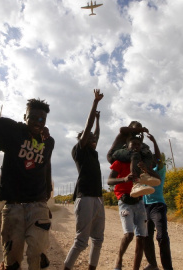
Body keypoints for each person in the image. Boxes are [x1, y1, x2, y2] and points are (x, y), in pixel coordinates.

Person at [0, 98, 55, 270]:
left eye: (42, 119)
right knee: (12, 260)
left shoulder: (48, 142)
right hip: (13, 206)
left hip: (37, 204)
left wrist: (47, 195)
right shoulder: (14, 133)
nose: (37, 122)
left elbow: (46, 165)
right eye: (33, 117)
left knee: (37, 254)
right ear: (25, 117)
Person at [64, 89, 105, 270]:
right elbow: (88, 129)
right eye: (89, 137)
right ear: (82, 138)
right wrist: (95, 103)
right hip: (85, 198)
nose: (94, 139)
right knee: (81, 242)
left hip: (98, 198)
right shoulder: (79, 150)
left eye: (94, 139)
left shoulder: (93, 152)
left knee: (98, 240)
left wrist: (98, 120)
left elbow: (95, 132)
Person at [108, 136, 151, 270]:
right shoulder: (119, 162)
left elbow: (152, 177)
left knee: (141, 238)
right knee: (129, 235)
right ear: (127, 147)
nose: (136, 146)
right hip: (125, 201)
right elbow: (110, 181)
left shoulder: (141, 163)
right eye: (133, 144)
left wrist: (146, 170)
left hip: (139, 202)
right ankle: (118, 259)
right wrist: (125, 179)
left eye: (138, 144)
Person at [140, 134, 173, 270]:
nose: (151, 160)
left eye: (153, 159)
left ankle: (167, 267)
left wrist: (154, 141)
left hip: (158, 206)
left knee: (162, 236)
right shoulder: (144, 174)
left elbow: (159, 158)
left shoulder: (159, 170)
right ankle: (153, 264)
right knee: (146, 237)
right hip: (145, 207)